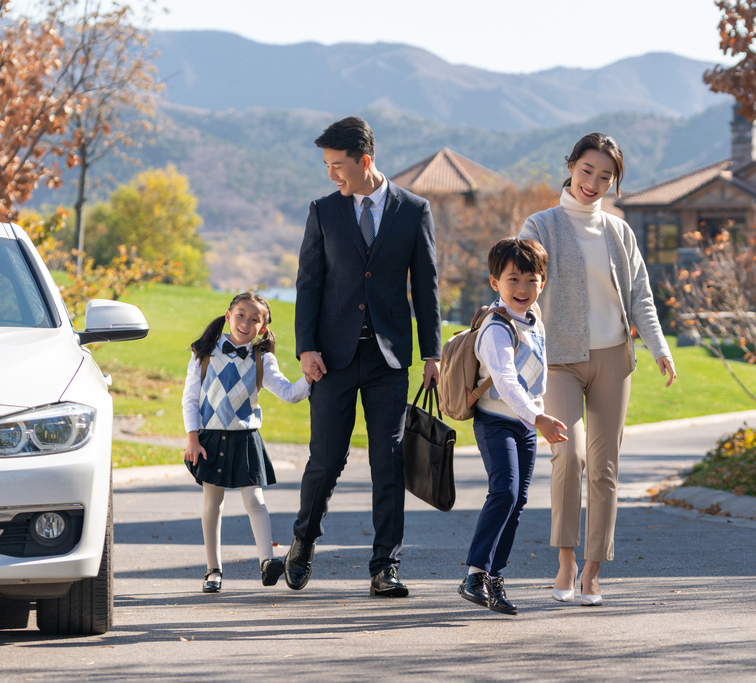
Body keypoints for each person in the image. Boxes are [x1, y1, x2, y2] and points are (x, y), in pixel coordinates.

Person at [519, 133, 676, 607]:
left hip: (614, 359)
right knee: (569, 456)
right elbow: (520, 286)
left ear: (615, 182)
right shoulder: (540, 226)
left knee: (604, 468)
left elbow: (640, 297)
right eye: (587, 171)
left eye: (605, 177)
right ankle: (565, 558)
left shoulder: (619, 232)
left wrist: (659, 348)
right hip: (561, 359)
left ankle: (592, 570)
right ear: (570, 167)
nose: (593, 183)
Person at [288, 116, 442, 597]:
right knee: (325, 461)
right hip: (331, 359)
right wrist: (306, 348)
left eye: (339, 166)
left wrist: (432, 353)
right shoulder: (323, 211)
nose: (332, 175)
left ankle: (385, 566)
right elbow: (308, 284)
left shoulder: (414, 210)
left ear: (365, 161)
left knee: (388, 461)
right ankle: (303, 542)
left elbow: (427, 287)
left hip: (389, 360)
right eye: (328, 166)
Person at [458, 238, 568, 616]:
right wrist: (537, 417)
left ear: (543, 282)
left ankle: (494, 578)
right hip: (497, 421)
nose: (522, 289)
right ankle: (475, 573)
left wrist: (536, 414)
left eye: (532, 280)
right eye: (513, 279)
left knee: (517, 502)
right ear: (495, 282)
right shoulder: (495, 327)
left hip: (525, 423)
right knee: (503, 491)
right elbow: (504, 380)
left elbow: (537, 370)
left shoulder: (534, 320)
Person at [181, 292, 312, 593]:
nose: (246, 322)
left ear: (263, 329)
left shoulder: (262, 359)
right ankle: (213, 570)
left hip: (246, 439)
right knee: (213, 503)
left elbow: (290, 393)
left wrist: (310, 378)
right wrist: (192, 438)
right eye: (241, 315)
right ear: (228, 316)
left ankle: (267, 562)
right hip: (209, 439)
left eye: (255, 319)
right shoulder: (203, 352)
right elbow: (190, 399)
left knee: (255, 501)